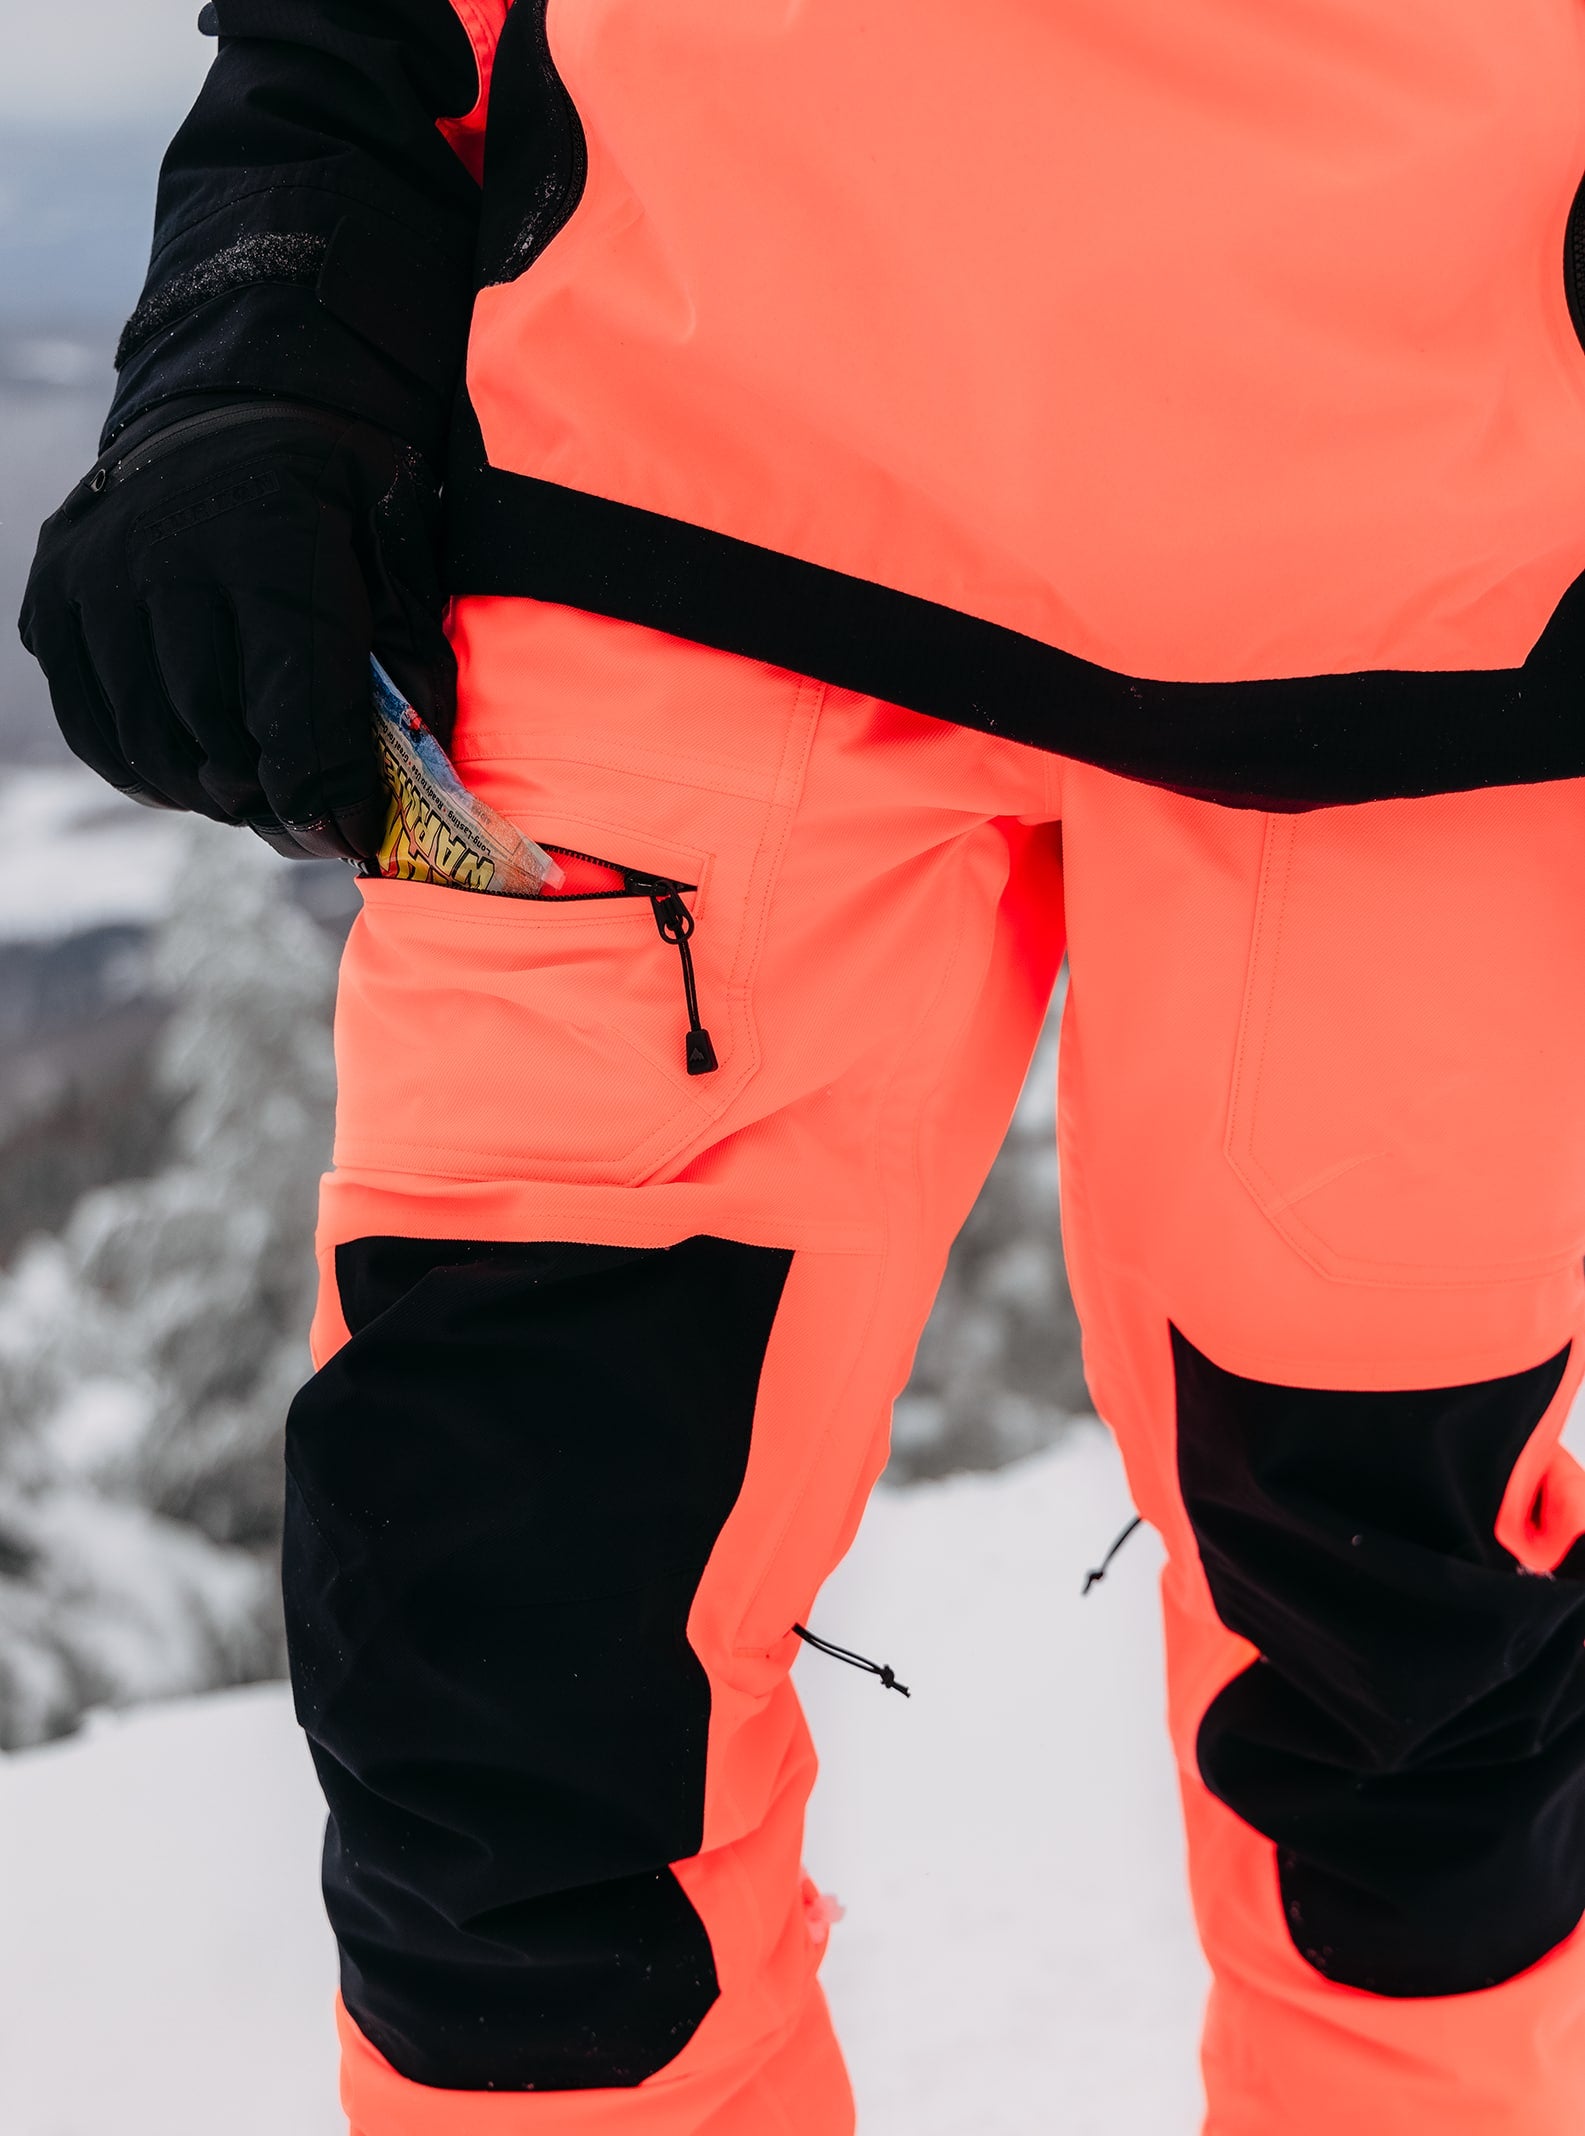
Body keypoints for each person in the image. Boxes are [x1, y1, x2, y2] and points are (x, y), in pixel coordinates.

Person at [20, 3, 1585, 2130]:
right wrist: (258, 334)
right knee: (513, 1686)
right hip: (675, 500)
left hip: (1439, 589)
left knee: (1403, 1686)